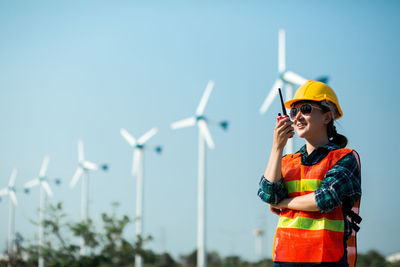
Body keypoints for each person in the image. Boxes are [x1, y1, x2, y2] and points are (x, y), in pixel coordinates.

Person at [257, 80, 361, 267]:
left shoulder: (344, 158)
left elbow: (325, 198)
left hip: (326, 259)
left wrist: (284, 203)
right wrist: (277, 147)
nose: (297, 117)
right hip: (285, 259)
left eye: (305, 109)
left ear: (327, 117)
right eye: (293, 111)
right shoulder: (287, 161)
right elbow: (268, 193)